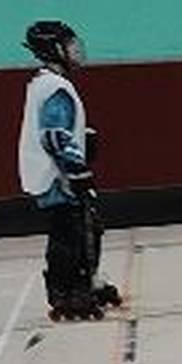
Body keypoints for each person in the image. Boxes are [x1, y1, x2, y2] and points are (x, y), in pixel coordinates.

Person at [16, 20, 118, 320]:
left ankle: (83, 282)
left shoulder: (45, 83)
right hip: (56, 177)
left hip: (54, 175)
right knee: (72, 233)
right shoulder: (55, 87)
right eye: (70, 45)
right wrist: (77, 169)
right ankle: (69, 291)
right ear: (55, 50)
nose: (76, 51)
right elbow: (55, 135)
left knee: (78, 229)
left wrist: (83, 137)